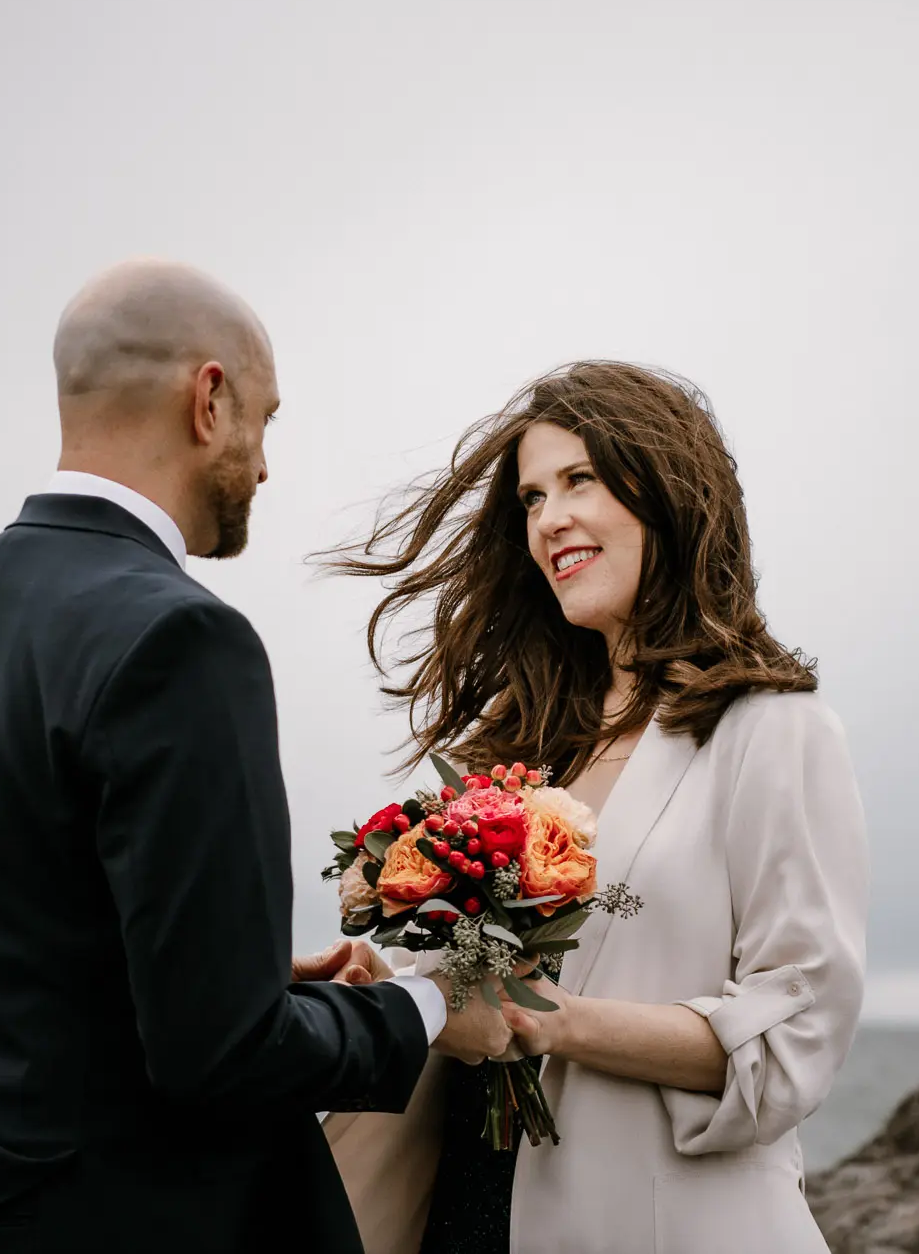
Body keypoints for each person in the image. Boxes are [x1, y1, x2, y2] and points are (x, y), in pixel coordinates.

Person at [0, 260, 512, 1254]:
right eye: (264, 420)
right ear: (208, 400)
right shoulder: (181, 639)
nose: (263, 466)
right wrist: (425, 1007)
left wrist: (239, 975)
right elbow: (222, 1058)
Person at [327, 362, 869, 1252]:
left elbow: (792, 1040)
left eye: (579, 478)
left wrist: (551, 1019)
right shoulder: (527, 749)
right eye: (532, 497)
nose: (549, 519)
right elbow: (490, 1000)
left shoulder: (773, 731)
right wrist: (406, 993)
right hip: (465, 1209)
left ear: (668, 489)